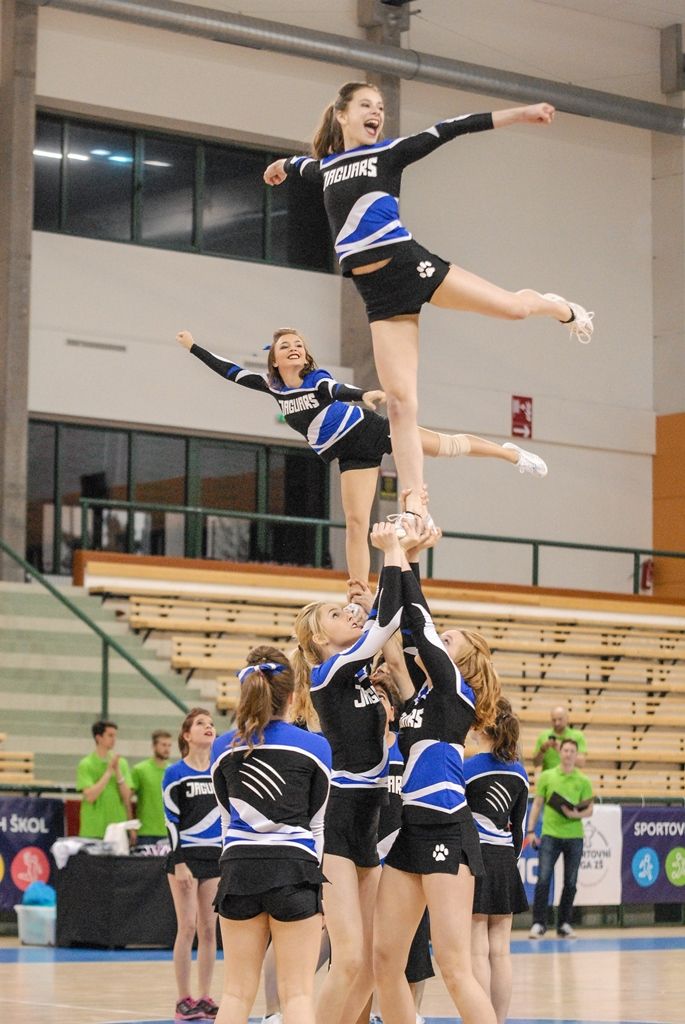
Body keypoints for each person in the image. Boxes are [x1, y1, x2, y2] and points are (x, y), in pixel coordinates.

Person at [264, 83, 593, 527]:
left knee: (514, 309)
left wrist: (520, 114)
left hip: (411, 266)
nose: (376, 113)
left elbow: (452, 127)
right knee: (401, 403)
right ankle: (414, 502)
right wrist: (279, 167)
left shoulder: (389, 153)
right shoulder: (324, 168)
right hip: (378, 296)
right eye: (366, 105)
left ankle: (552, 305)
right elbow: (297, 165)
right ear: (341, 115)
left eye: (381, 107)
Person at [177, 328, 547, 582]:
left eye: (299, 344)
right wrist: (193, 346)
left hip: (367, 429)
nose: (294, 348)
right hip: (347, 453)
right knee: (356, 524)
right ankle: (357, 590)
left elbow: (334, 388)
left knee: (444, 446)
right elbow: (230, 371)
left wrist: (363, 395)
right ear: (273, 358)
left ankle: (508, 453)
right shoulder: (273, 388)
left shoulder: (315, 379)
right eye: (285, 345)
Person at [372, 520, 500, 1024]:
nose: (437, 639)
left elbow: (420, 623)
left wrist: (399, 553)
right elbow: (406, 626)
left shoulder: (454, 691)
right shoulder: (421, 695)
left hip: (447, 826)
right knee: (386, 960)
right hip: (410, 829)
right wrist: (407, 556)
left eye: (449, 640)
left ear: (460, 660)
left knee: (453, 966)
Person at [291, 522, 407, 1024]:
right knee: (350, 958)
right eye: (337, 615)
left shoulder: (358, 673)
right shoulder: (329, 672)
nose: (348, 615)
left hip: (370, 822)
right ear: (320, 637)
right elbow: (387, 623)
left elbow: (387, 629)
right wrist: (393, 555)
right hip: (338, 820)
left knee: (375, 964)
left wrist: (369, 601)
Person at [210, 646, 332, 1024]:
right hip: (295, 870)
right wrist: (317, 888)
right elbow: (317, 825)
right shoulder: (316, 746)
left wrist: (234, 869)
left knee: (235, 993)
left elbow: (226, 822)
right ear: (293, 697)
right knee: (297, 995)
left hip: (238, 870)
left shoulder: (223, 746)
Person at [464, 697, 529, 1024]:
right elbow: (519, 828)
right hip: (505, 859)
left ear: (482, 726)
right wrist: (508, 859)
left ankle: (482, 1019)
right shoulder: (519, 772)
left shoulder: (467, 768)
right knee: (501, 950)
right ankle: (498, 1020)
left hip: (476, 858)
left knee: (476, 948)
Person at [163, 708, 222, 1022]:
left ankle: (204, 996)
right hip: (185, 857)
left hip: (214, 856)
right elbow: (170, 821)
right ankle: (183, 999)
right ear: (186, 735)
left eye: (211, 723)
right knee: (186, 927)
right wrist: (180, 862)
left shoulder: (219, 769)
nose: (208, 727)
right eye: (200, 723)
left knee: (209, 929)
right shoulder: (175, 773)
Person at [526, 737, 594, 939]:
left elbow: (590, 809)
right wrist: (531, 831)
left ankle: (564, 923)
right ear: (560, 752)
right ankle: (539, 923)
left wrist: (575, 814)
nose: (568, 754)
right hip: (550, 834)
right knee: (543, 879)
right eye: (565, 750)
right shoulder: (547, 776)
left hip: (574, 836)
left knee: (571, 882)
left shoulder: (583, 780)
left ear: (576, 755)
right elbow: (537, 804)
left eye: (572, 751)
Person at [76, 720, 132, 839]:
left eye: (115, 735)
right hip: (94, 829)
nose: (114, 739)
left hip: (117, 828)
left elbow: (127, 797)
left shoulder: (122, 763)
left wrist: (117, 772)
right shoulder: (86, 764)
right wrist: (108, 772)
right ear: (99, 738)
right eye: (110, 735)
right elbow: (90, 796)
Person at [131, 729, 173, 846]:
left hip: (169, 830)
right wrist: (132, 826)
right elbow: (127, 800)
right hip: (145, 832)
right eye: (163, 745)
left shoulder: (173, 771)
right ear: (154, 746)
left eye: (169, 745)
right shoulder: (140, 770)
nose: (167, 749)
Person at [532, 705, 587, 771]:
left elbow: (581, 764)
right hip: (549, 775)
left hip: (570, 775)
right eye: (554, 720)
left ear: (567, 719)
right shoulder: (543, 735)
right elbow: (536, 764)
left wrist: (562, 750)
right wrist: (542, 750)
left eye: (560, 719)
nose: (557, 723)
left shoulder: (577, 736)